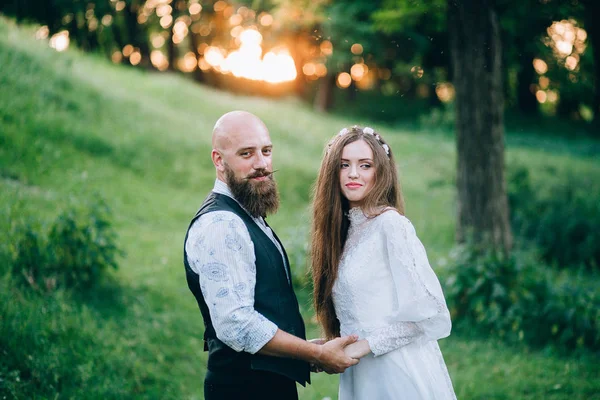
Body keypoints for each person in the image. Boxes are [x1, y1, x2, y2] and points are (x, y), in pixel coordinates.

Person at [183, 111, 359, 400]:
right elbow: (236, 324)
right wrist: (315, 352)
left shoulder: (247, 216)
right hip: (243, 390)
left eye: (266, 151)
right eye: (246, 154)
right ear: (219, 160)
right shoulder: (221, 225)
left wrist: (303, 352)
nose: (262, 164)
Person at [310, 125, 457, 400]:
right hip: (360, 374)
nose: (353, 173)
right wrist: (328, 348)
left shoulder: (391, 225)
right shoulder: (342, 232)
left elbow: (429, 315)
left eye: (365, 165)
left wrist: (362, 346)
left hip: (396, 371)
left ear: (380, 171)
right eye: (344, 165)